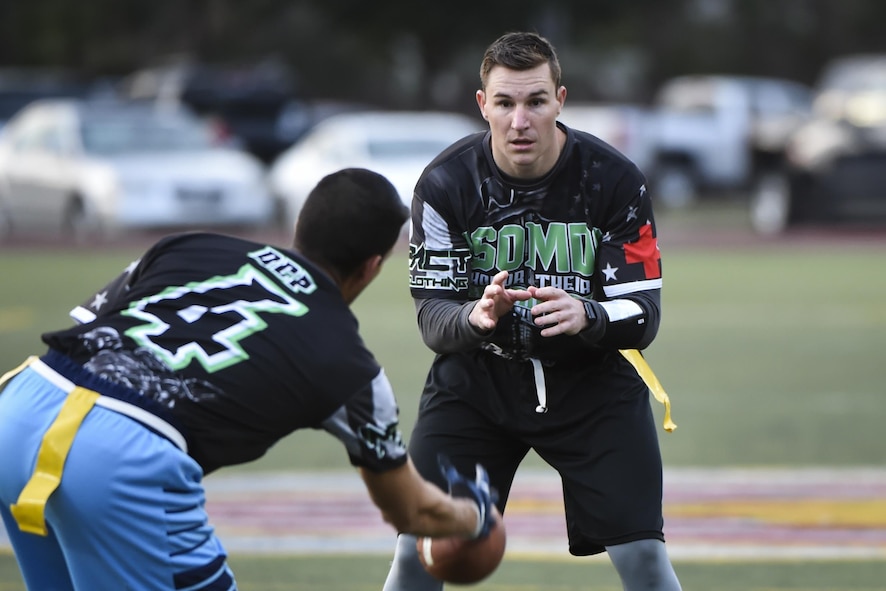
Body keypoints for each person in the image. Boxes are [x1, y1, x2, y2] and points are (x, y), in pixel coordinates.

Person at [0, 168, 497, 591]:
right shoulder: (350, 366)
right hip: (123, 457)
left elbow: (91, 330)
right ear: (371, 267)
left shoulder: (186, 245)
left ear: (302, 223)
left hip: (21, 405)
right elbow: (409, 511)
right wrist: (472, 517)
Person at [382, 32, 682, 590]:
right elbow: (433, 318)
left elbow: (644, 313)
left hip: (593, 384)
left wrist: (587, 314)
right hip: (477, 383)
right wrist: (475, 317)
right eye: (505, 103)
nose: (520, 120)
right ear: (483, 105)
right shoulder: (445, 184)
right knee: (418, 551)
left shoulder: (613, 180)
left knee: (643, 554)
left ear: (560, 100)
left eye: (535, 101)